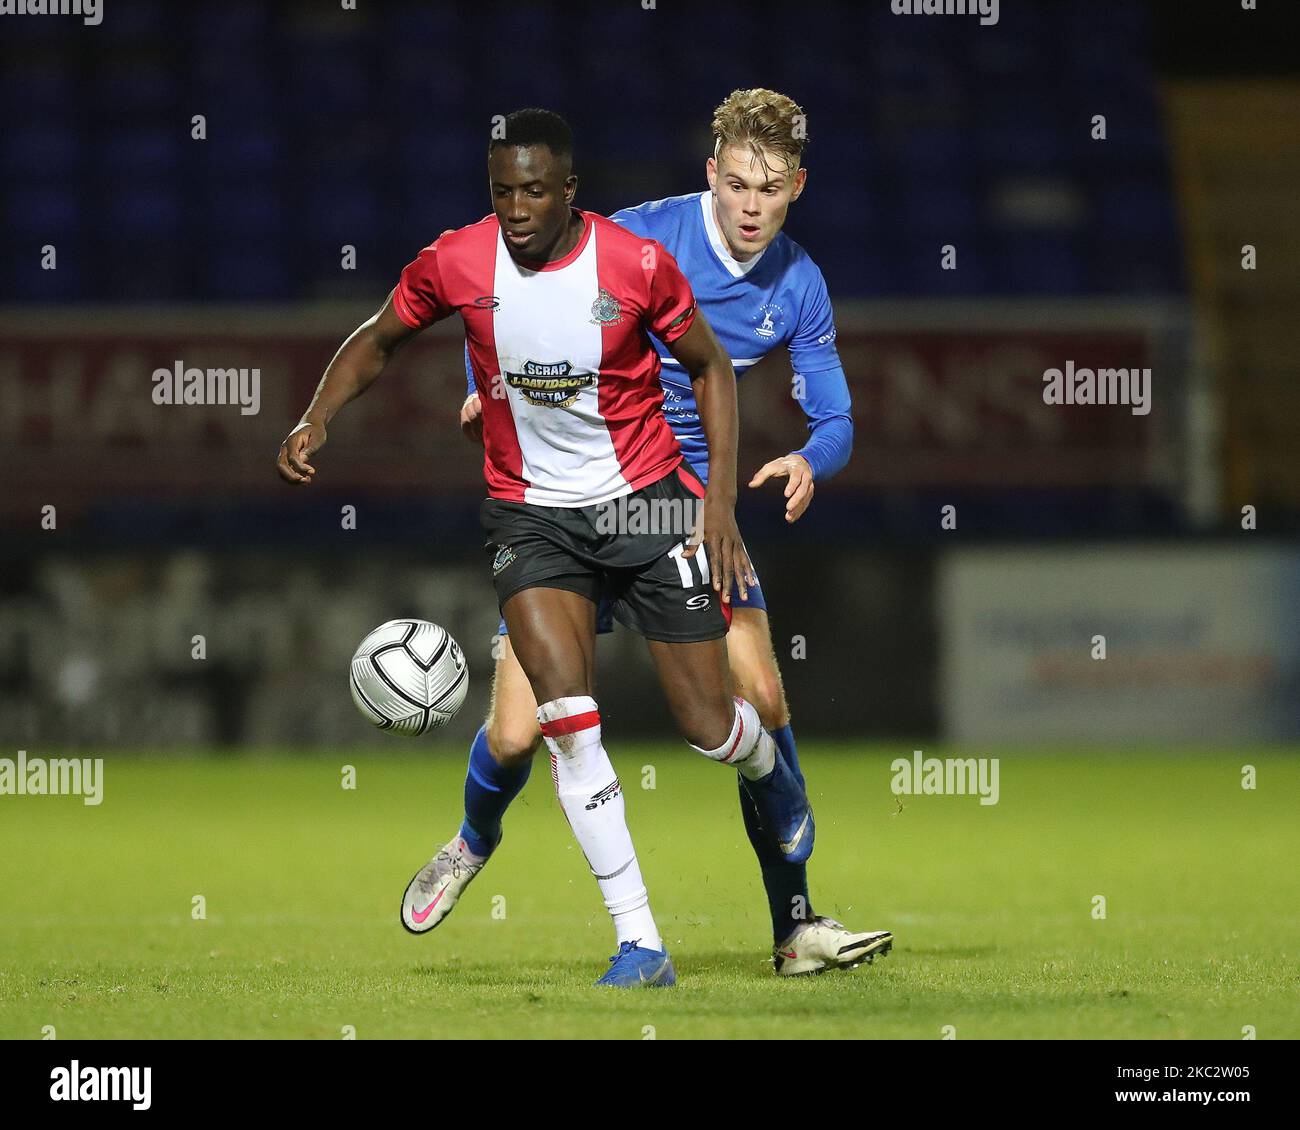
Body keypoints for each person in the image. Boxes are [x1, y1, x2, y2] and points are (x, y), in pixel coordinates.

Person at [277, 108, 813, 987]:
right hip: (531, 521)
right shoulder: (456, 260)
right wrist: (317, 417)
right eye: (502, 191)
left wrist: (714, 502)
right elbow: (377, 339)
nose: (517, 208)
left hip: (645, 509)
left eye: (534, 190)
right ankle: (640, 943)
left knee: (709, 725)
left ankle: (765, 768)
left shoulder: (632, 264)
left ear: (569, 190)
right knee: (562, 727)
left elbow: (712, 367)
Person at [432, 90, 893, 976]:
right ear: (710, 174)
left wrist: (809, 459)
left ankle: (793, 926)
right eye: (737, 184)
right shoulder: (640, 237)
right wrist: (482, 384)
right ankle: (471, 837)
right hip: (569, 494)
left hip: (681, 500)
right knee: (517, 736)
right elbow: (511, 278)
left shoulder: (798, 283)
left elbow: (836, 415)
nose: (752, 206)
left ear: (797, 185)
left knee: (758, 695)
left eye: (771, 188)